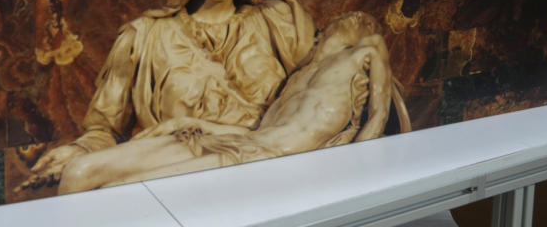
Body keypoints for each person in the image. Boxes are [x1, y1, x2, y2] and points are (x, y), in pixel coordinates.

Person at [21, 0, 315, 190]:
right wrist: (80, 148)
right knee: (82, 175)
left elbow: (316, 92)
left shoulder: (278, 21)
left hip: (267, 153)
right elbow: (105, 128)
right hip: (181, 156)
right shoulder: (145, 35)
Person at [57, 11, 412, 193]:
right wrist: (187, 123)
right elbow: (257, 130)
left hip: (267, 161)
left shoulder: (367, 50)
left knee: (116, 193)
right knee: (78, 172)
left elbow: (379, 117)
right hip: (241, 143)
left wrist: (362, 183)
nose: (317, 35)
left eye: (325, 30)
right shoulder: (296, 81)